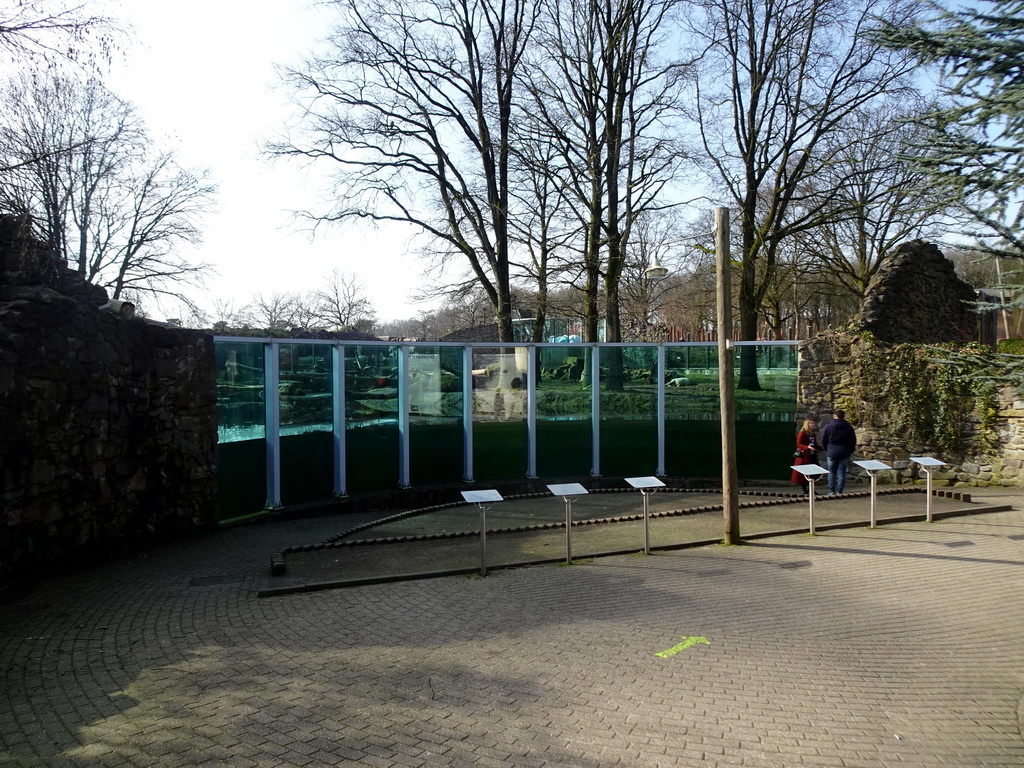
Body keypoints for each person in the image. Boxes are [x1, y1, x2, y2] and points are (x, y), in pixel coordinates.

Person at [819, 409, 857, 495]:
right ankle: (840, 491)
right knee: (842, 472)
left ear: (835, 416)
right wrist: (850, 450)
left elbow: (823, 439)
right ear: (843, 416)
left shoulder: (828, 426)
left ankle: (831, 490)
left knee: (831, 471)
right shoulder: (848, 427)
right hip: (844, 451)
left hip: (832, 451)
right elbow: (853, 440)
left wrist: (827, 449)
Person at [790, 418, 818, 493]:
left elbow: (814, 444)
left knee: (814, 472)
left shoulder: (813, 434)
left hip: (812, 454)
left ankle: (811, 489)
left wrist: (820, 448)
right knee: (804, 472)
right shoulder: (802, 433)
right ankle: (805, 489)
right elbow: (798, 443)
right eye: (811, 423)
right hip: (804, 455)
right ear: (807, 424)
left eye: (813, 423)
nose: (813, 425)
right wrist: (806, 447)